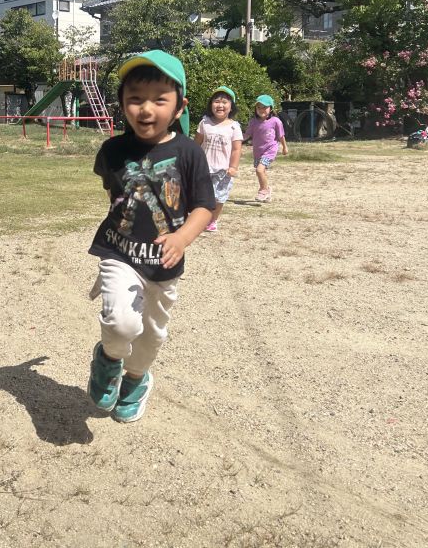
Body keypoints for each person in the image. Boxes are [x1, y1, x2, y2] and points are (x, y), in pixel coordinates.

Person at [86, 50, 215, 423]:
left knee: (150, 336)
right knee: (121, 323)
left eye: (159, 99)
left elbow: (204, 207)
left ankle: (136, 380)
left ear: (179, 106)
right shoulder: (113, 150)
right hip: (119, 252)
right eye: (135, 99)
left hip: (163, 264)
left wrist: (182, 238)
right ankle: (108, 360)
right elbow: (112, 191)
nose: (146, 108)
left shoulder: (189, 153)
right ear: (123, 105)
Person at [193, 85, 243, 232]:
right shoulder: (204, 123)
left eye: (225, 102)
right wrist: (192, 160)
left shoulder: (234, 127)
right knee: (202, 196)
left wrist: (233, 167)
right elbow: (197, 143)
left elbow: (236, 149)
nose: (220, 105)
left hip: (224, 170)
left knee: (219, 197)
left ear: (231, 106)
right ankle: (199, 220)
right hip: (204, 168)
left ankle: (213, 220)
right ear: (211, 105)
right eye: (216, 101)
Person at [243, 94, 287, 202]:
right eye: (259, 107)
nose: (261, 109)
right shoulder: (253, 121)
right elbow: (247, 135)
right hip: (258, 151)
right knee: (262, 172)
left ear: (271, 108)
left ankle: (263, 190)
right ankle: (267, 191)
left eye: (265, 107)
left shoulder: (276, 121)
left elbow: (281, 135)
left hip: (270, 150)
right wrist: (236, 141)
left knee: (259, 170)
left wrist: (284, 147)